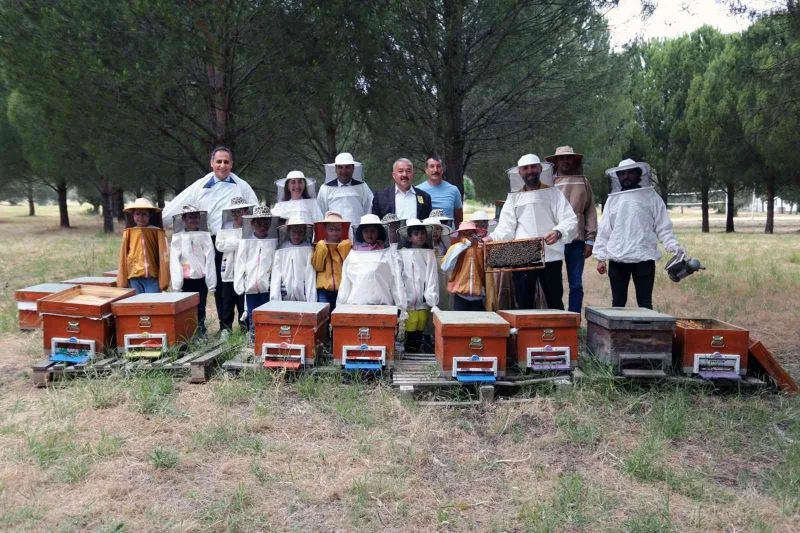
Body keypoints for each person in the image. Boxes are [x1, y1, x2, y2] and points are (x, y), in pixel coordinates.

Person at [162, 146, 259, 335]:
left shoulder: (242, 186)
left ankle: (246, 325)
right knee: (221, 286)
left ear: (232, 164)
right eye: (219, 161)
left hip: (240, 241)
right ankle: (225, 327)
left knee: (241, 281)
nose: (222, 165)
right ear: (212, 163)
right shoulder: (201, 185)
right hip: (212, 241)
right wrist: (160, 221)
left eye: (226, 162)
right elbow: (179, 204)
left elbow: (254, 209)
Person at [487, 154, 577, 310]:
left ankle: (558, 333)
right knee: (524, 302)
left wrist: (558, 232)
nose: (530, 171)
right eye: (525, 168)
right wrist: (491, 238)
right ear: (519, 172)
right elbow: (506, 228)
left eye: (533, 167)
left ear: (540, 169)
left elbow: (570, 219)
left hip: (550, 254)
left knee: (554, 300)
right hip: (522, 255)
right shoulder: (513, 198)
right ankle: (526, 335)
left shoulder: (554, 194)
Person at [593, 159, 685, 309]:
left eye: (630, 172)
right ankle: (618, 333)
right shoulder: (613, 199)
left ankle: (645, 332)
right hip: (618, 257)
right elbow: (604, 230)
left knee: (645, 303)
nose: (626, 176)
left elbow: (663, 226)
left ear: (639, 174)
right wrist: (600, 258)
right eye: (622, 174)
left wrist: (673, 246)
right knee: (617, 304)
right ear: (618, 177)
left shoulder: (652, 197)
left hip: (644, 256)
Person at [545, 146, 598, 314]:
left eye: (568, 158)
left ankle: (574, 318)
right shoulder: (548, 183)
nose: (565, 161)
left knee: (576, 283)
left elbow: (590, 210)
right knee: (553, 283)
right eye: (562, 158)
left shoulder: (583, 181)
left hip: (576, 240)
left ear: (574, 160)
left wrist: (590, 239)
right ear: (555, 162)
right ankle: (558, 318)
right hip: (553, 240)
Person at [337, 214, 406, 309]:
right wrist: (341, 305)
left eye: (373, 231)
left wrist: (400, 306)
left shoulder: (388, 254)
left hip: (383, 305)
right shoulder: (353, 254)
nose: (369, 234)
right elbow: (346, 283)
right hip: (356, 305)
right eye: (366, 231)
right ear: (361, 233)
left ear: (379, 232)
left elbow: (396, 282)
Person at [170, 205, 217, 337]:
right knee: (185, 306)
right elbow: (174, 260)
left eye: (196, 217)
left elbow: (210, 258)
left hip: (201, 278)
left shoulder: (204, 235)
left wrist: (211, 282)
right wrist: (177, 283)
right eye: (190, 217)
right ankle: (187, 331)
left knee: (201, 306)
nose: (194, 220)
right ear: (184, 219)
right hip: (185, 279)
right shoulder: (178, 237)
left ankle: (201, 331)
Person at [234, 205, 278, 338]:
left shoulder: (274, 242)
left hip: (267, 285)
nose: (263, 225)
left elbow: (276, 264)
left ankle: (267, 336)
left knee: (266, 312)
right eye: (259, 222)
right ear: (252, 223)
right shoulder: (246, 242)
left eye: (266, 222)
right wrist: (239, 283)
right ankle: (253, 336)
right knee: (252, 312)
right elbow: (240, 263)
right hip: (251, 284)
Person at [215, 197, 255, 336]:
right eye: (235, 212)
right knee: (227, 303)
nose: (238, 215)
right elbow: (220, 245)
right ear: (231, 213)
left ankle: (245, 330)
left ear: (246, 212)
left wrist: (232, 243)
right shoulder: (224, 229)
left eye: (241, 212)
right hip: (228, 273)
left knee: (242, 302)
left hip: (244, 273)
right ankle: (226, 329)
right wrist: (238, 242)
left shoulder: (251, 230)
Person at [397, 219, 439, 352]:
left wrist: (430, 296)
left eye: (422, 233)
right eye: (416, 233)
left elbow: (432, 276)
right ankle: (409, 349)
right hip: (408, 297)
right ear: (409, 237)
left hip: (423, 297)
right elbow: (399, 276)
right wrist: (401, 297)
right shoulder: (402, 253)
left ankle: (416, 348)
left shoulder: (429, 253)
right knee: (411, 324)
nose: (420, 236)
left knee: (421, 322)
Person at [117, 198, 170, 294]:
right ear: (133, 215)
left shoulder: (157, 231)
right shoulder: (129, 232)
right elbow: (123, 255)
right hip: (134, 275)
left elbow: (163, 254)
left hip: (152, 275)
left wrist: (164, 278)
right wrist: (122, 279)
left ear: (150, 216)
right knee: (138, 304)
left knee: (153, 304)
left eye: (144, 214)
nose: (141, 217)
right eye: (138, 214)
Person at [317, 152, 374, 225]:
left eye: (347, 167)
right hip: (335, 233)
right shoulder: (325, 188)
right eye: (340, 167)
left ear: (353, 168)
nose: (344, 171)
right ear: (336, 169)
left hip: (358, 231)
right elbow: (321, 213)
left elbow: (369, 210)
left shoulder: (362, 187)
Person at [312, 211, 352, 312]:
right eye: (331, 229)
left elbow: (349, 267)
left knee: (339, 318)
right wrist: (322, 248)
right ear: (325, 229)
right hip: (323, 290)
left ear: (342, 229)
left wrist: (342, 247)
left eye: (338, 229)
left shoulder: (346, 245)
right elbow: (317, 266)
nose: (334, 232)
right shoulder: (320, 245)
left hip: (342, 289)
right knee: (323, 318)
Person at [441, 221, 486, 311]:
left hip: (478, 296)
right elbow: (445, 266)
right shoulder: (455, 248)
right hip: (460, 295)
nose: (468, 236)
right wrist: (464, 244)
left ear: (475, 234)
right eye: (464, 233)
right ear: (460, 235)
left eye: (470, 233)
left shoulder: (482, 249)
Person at [270, 218, 316, 302]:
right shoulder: (281, 250)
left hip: (303, 298)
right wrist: (275, 298)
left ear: (305, 233)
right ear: (288, 232)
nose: (297, 236)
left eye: (300, 232)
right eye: (294, 232)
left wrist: (311, 300)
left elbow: (310, 276)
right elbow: (276, 274)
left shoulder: (308, 249)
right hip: (284, 296)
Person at [415, 156, 463, 227]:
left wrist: (458, 236)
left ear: (442, 169)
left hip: (448, 234)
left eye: (438, 166)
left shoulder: (453, 190)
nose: (435, 170)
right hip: (427, 234)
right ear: (426, 170)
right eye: (432, 166)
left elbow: (459, 218)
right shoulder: (417, 190)